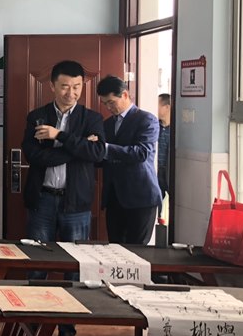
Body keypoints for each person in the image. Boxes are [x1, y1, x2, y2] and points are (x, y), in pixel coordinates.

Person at [22, 60, 106, 244]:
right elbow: (34, 156)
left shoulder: (92, 119)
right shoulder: (37, 117)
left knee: (76, 258)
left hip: (76, 201)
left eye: (77, 87)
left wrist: (59, 135)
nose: (71, 93)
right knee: (38, 256)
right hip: (42, 199)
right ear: (52, 86)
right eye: (65, 87)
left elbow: (97, 153)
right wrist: (79, 148)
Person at [95, 76, 162, 244]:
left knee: (137, 251)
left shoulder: (146, 119)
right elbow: (102, 158)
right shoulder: (107, 124)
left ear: (125, 95)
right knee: (115, 249)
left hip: (141, 196)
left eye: (111, 102)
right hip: (114, 197)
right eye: (105, 103)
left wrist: (105, 148)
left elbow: (142, 153)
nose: (108, 108)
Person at [157, 93, 171, 200]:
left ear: (166, 107)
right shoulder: (154, 126)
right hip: (156, 170)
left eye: (157, 105)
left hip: (169, 171)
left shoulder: (176, 129)